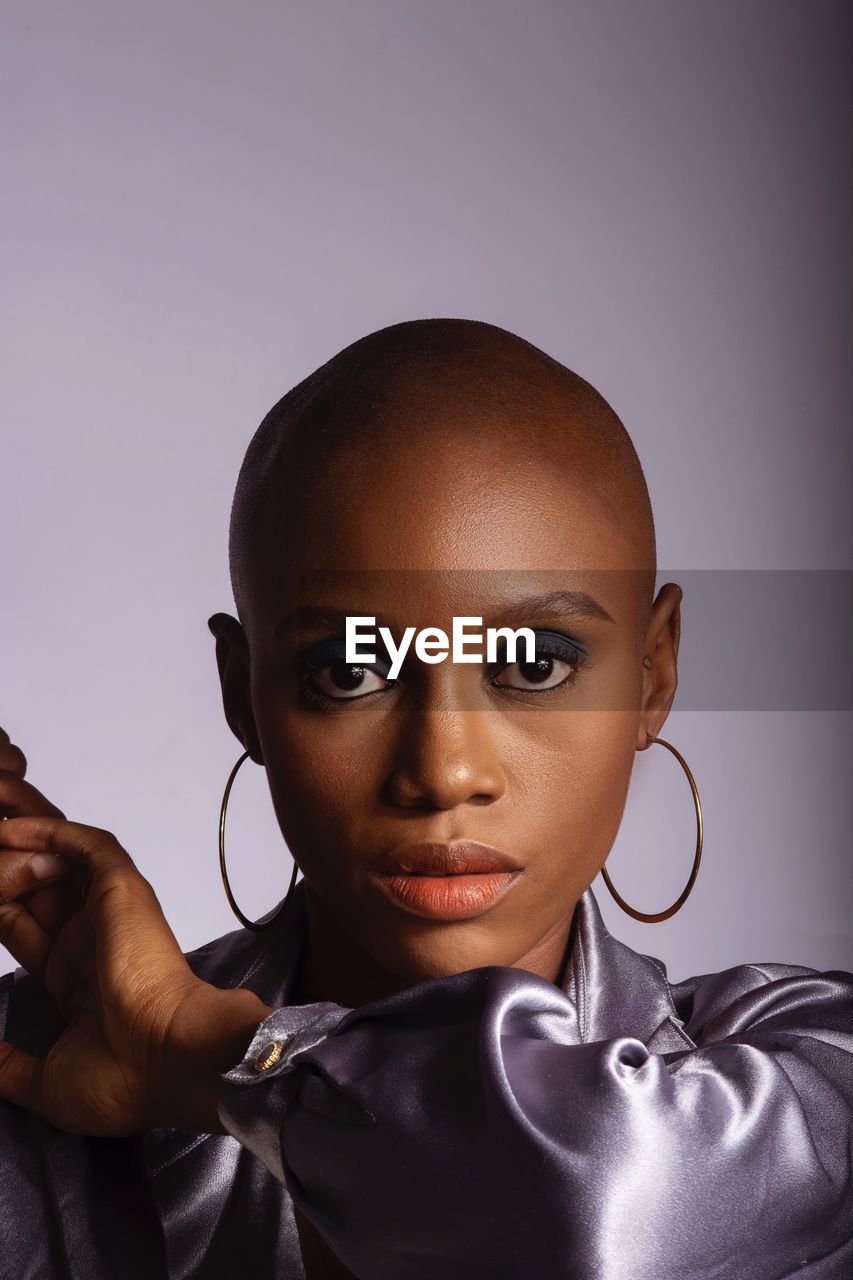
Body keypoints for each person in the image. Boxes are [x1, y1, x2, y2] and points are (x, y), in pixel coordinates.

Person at [0, 318, 850, 1279]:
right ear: (244, 693)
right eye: (353, 670)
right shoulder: (28, 1081)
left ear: (653, 674)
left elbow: (582, 1210)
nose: (444, 772)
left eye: (531, 663)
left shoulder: (811, 1062)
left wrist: (207, 1063)